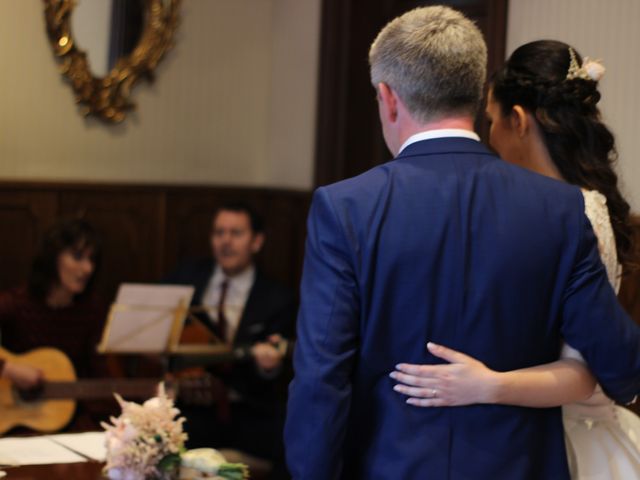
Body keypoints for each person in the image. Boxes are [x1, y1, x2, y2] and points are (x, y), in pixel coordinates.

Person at [284, 7, 640, 480]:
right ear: (476, 94)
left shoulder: (346, 207)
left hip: (390, 467)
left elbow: (320, 381)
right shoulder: (559, 209)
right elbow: (621, 366)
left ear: (388, 99)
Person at [391, 39, 640, 479]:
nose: (488, 137)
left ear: (518, 121)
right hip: (506, 433)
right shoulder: (517, 208)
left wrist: (488, 384)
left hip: (568, 438)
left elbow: (586, 369)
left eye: (491, 121)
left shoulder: (580, 212)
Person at [164, 202, 296, 478]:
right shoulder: (187, 277)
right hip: (194, 406)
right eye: (218, 233)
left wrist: (267, 367)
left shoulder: (277, 297)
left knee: (296, 439)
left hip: (246, 409)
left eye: (236, 233)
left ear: (257, 241)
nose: (226, 241)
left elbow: (278, 372)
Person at [0, 217, 109, 430]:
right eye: (77, 257)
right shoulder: (16, 303)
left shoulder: (92, 309)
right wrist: (9, 369)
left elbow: (98, 373)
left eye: (92, 260)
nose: (87, 268)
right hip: (17, 419)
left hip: (69, 417)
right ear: (53, 258)